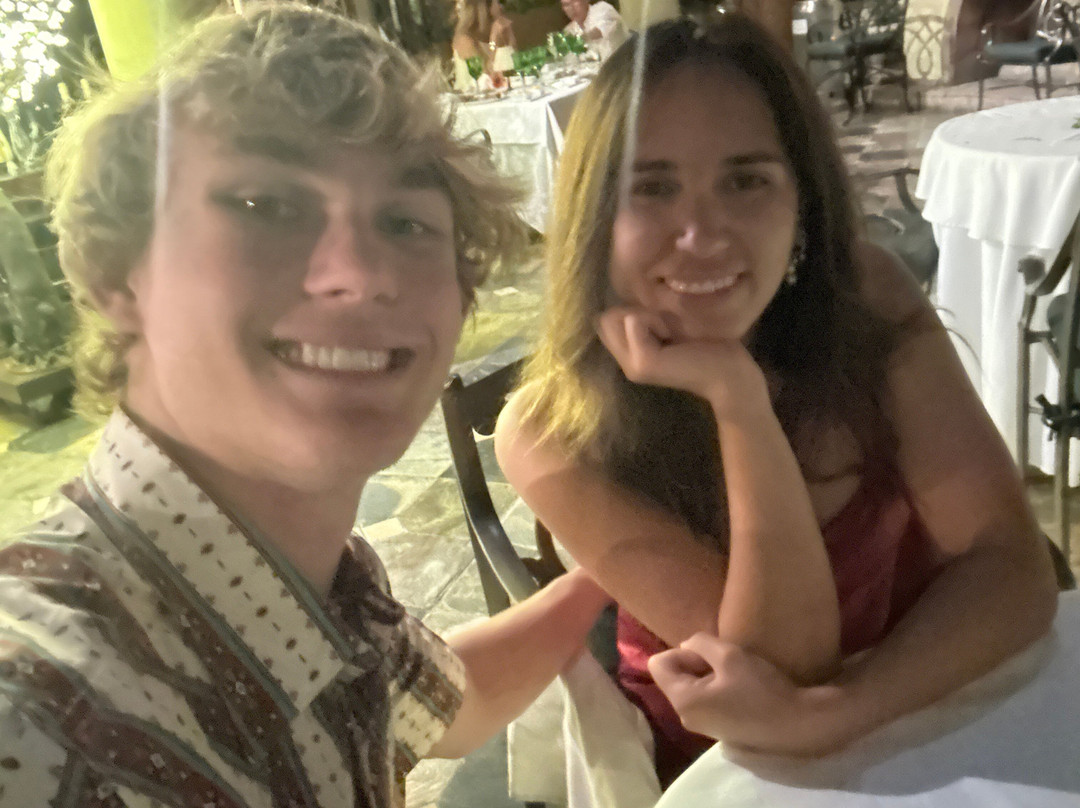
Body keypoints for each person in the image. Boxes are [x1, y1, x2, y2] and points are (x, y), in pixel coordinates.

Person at [0, 5, 610, 807]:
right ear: (119, 274)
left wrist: (626, 562)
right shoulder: (35, 723)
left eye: (405, 221)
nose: (360, 272)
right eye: (265, 206)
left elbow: (452, 705)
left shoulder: (314, 586)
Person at [494, 14, 1059, 787]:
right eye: (652, 187)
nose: (701, 234)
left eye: (746, 180)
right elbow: (781, 667)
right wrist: (739, 402)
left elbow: (1010, 563)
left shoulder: (867, 298)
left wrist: (837, 712)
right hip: (737, 772)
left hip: (924, 703)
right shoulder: (551, 432)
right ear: (594, 220)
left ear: (800, 204)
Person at [452, 0, 516, 89]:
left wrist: (509, 36)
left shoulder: (489, 33)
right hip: (476, 94)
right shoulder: (464, 39)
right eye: (498, 2)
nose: (501, 7)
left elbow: (515, 65)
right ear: (485, 7)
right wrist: (494, 39)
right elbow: (486, 78)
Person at [561, 0, 627, 60]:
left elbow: (598, 32)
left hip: (623, 63)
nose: (571, 8)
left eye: (575, 1)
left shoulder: (602, 9)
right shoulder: (569, 30)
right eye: (566, 5)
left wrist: (576, 41)